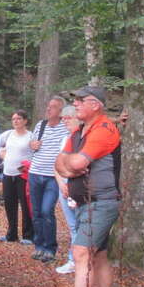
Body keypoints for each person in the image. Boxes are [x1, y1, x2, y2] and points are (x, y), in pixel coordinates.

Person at [52, 85, 121, 287]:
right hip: (86, 203)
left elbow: (78, 162)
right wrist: (69, 166)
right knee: (99, 256)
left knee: (81, 252)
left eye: (81, 100)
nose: (76, 104)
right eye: (76, 99)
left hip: (101, 202)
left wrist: (70, 164)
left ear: (96, 105)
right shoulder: (80, 131)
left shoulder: (105, 130)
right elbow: (60, 162)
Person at [29, 96, 68, 262]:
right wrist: (32, 145)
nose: (48, 109)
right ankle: (39, 246)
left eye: (52, 107)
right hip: (35, 173)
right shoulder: (41, 125)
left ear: (60, 112)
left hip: (53, 176)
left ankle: (50, 248)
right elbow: (32, 143)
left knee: (46, 211)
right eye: (48, 106)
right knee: (36, 211)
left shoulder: (65, 128)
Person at [0, 110, 33, 244]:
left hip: (23, 175)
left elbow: (35, 153)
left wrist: (25, 167)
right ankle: (11, 234)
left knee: (25, 205)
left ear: (25, 121)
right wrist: (1, 153)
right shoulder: (8, 134)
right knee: (9, 205)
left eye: (19, 119)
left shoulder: (30, 136)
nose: (16, 121)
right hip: (7, 174)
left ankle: (28, 235)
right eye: (13, 119)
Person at [54, 105, 80, 274]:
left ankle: (77, 260)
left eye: (68, 117)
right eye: (63, 118)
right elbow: (56, 165)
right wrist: (61, 184)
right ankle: (74, 260)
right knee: (72, 226)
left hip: (76, 187)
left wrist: (70, 185)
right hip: (63, 186)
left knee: (80, 225)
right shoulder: (65, 139)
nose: (64, 121)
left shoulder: (83, 139)